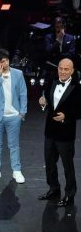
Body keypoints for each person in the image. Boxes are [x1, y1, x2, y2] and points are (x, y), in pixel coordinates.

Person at [38, 58, 81, 207]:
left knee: (67, 165)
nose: (62, 71)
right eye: (61, 68)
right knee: (49, 163)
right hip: (50, 131)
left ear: (72, 71)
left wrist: (66, 116)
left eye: (66, 69)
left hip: (65, 134)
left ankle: (70, 194)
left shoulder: (77, 88)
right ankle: (54, 189)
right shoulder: (52, 82)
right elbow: (49, 102)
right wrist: (43, 102)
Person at [0, 49, 27, 184]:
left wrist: (22, 113)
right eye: (2, 61)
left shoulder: (18, 74)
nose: (5, 63)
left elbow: (23, 94)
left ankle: (16, 170)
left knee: (13, 145)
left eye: (6, 60)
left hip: (14, 116)